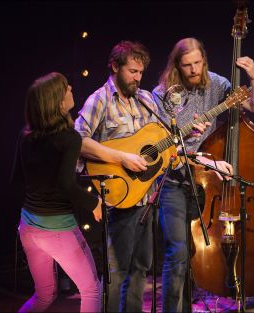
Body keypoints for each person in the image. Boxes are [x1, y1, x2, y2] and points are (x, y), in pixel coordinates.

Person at [74, 40, 207, 312]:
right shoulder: (99, 100)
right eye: (132, 71)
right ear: (114, 67)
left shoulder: (146, 99)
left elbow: (162, 143)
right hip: (119, 197)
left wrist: (187, 135)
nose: (137, 78)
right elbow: (76, 140)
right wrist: (121, 157)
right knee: (117, 271)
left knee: (140, 268)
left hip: (146, 197)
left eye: (141, 72)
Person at [152, 37, 254, 312]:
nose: (193, 70)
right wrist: (185, 135)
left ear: (204, 60)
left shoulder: (217, 84)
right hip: (172, 179)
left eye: (197, 64)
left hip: (201, 181)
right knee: (177, 253)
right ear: (177, 65)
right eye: (187, 65)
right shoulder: (162, 93)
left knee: (191, 254)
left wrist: (253, 77)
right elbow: (158, 144)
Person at [11, 72, 102, 312]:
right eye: (65, 88)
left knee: (44, 295)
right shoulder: (70, 138)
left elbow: (16, 180)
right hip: (58, 230)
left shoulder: (25, 135)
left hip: (29, 229)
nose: (71, 87)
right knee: (92, 290)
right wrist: (94, 202)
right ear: (57, 102)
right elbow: (65, 185)